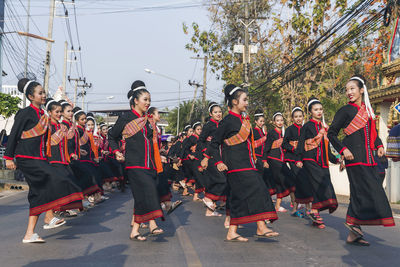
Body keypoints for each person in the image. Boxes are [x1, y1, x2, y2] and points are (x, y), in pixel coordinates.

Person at [4, 79, 83, 243]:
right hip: (27, 158)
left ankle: (30, 233)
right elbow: (13, 135)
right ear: (31, 96)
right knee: (56, 178)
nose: (43, 95)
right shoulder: (25, 113)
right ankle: (50, 216)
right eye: (40, 93)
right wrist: (8, 157)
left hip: (39, 158)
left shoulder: (43, 115)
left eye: (44, 92)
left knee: (37, 193)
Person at [328, 75, 395, 246]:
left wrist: (379, 145)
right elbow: (331, 133)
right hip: (354, 158)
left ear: (361, 90)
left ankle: (354, 230)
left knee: (367, 191)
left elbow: (373, 134)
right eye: (347, 89)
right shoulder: (345, 111)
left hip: (369, 158)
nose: (349, 92)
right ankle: (354, 227)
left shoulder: (368, 110)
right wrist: (343, 150)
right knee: (361, 191)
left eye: (352, 88)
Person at [209, 84, 278, 242]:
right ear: (234, 102)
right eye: (244, 100)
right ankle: (260, 227)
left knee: (239, 197)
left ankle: (232, 231)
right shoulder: (227, 121)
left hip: (247, 164)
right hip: (234, 165)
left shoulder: (244, 120)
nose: (247, 103)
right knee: (259, 188)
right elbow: (213, 144)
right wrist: (219, 161)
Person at [109, 80, 164, 242]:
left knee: (142, 195)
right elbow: (112, 136)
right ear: (136, 101)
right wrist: (116, 151)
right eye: (145, 100)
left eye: (149, 100)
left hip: (149, 164)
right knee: (148, 190)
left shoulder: (148, 120)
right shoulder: (126, 118)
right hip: (134, 164)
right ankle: (153, 224)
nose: (148, 103)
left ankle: (135, 230)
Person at [297, 97, 338, 229]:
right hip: (310, 159)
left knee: (319, 186)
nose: (319, 111)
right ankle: (314, 212)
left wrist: (335, 159)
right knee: (322, 184)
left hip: (323, 161)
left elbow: (326, 147)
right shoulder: (307, 126)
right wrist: (298, 159)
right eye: (316, 109)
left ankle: (315, 215)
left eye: (320, 109)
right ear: (310, 112)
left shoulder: (324, 128)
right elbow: (301, 143)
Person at [45, 98, 83, 216]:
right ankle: (52, 212)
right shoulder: (47, 126)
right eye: (56, 112)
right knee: (60, 183)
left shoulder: (62, 127)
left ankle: (61, 209)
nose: (59, 114)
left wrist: (71, 154)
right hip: (52, 160)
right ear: (50, 112)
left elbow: (67, 145)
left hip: (63, 159)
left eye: (60, 111)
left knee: (68, 182)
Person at [282, 107, 314, 217]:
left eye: (300, 116)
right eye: (296, 117)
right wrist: (294, 148)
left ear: (303, 116)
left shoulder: (307, 128)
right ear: (292, 118)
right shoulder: (289, 129)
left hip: (304, 157)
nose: (298, 119)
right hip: (292, 158)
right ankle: (302, 207)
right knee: (300, 181)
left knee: (305, 181)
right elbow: (284, 144)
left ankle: (303, 207)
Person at [263, 112, 296, 213]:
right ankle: (292, 203)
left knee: (283, 181)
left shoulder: (283, 134)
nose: (280, 122)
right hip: (273, 160)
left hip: (281, 160)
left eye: (281, 120)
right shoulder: (271, 133)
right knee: (284, 180)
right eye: (278, 120)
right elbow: (266, 148)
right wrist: (264, 160)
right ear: (274, 122)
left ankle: (282, 204)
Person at [200, 102, 228, 217]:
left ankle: (210, 211)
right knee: (221, 180)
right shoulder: (208, 126)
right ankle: (207, 198)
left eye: (220, 112)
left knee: (218, 181)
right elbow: (201, 141)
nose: (218, 114)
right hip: (211, 158)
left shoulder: (221, 125)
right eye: (216, 112)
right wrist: (205, 155)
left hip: (219, 156)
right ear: (211, 114)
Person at [252, 109, 275, 196]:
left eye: (263, 121)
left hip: (264, 156)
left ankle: (266, 194)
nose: (262, 123)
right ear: (255, 121)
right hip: (257, 156)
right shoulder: (253, 131)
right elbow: (253, 145)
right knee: (260, 176)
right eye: (260, 121)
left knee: (267, 176)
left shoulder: (263, 131)